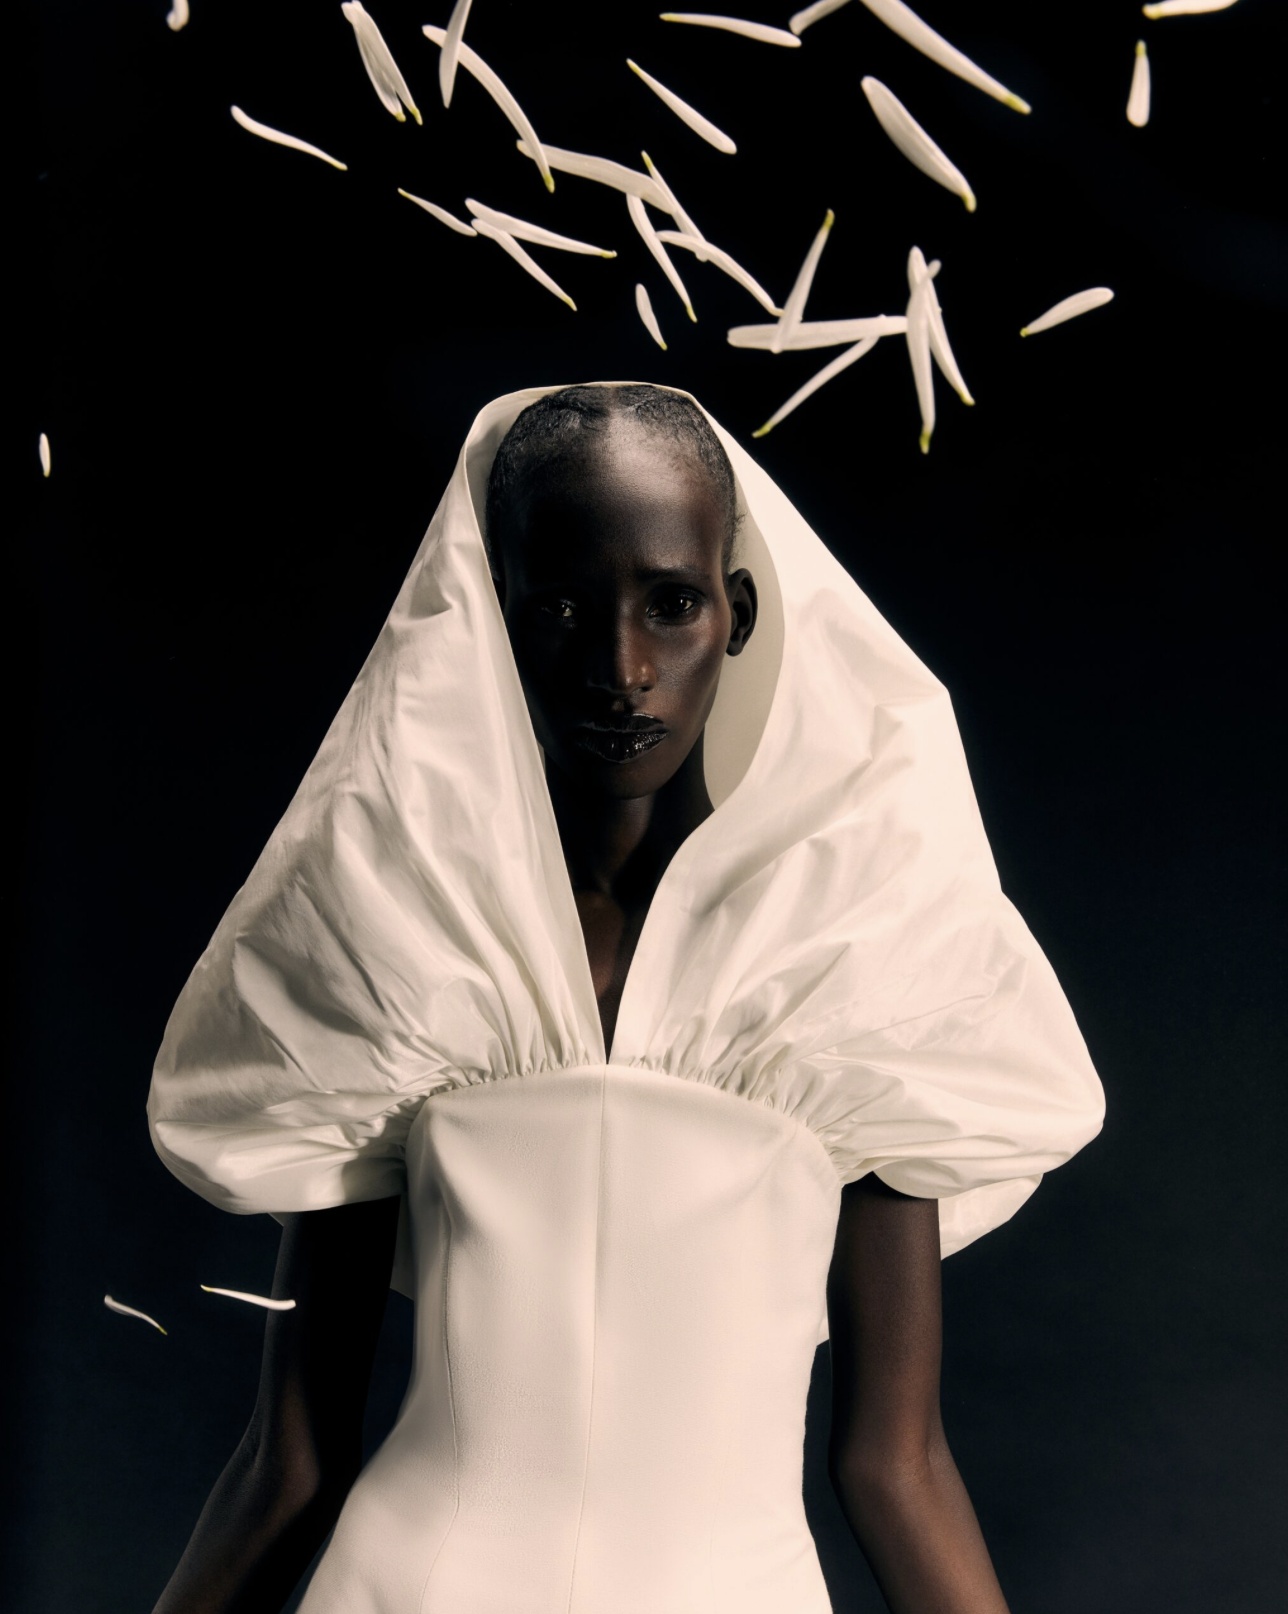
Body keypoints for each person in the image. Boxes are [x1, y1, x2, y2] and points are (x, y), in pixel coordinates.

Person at [146, 381, 1105, 1614]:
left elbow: (895, 1464)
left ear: (737, 610)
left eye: (671, 603)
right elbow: (293, 1462)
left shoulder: (852, 966)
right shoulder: (405, 956)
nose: (621, 668)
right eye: (557, 605)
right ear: (489, 614)